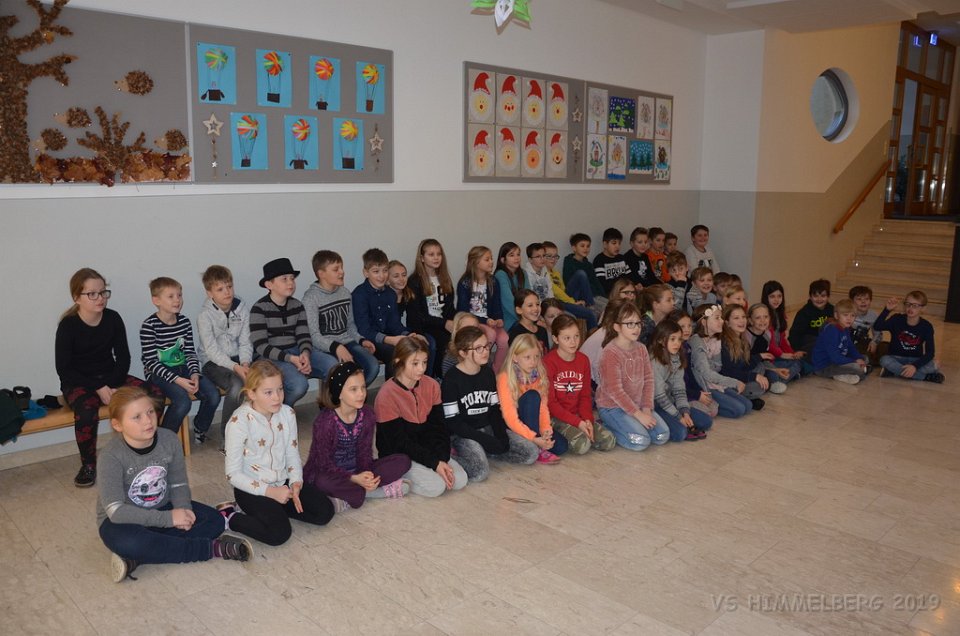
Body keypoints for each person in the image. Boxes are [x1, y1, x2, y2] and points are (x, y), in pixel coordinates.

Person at [97, 387, 252, 583]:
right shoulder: (110, 456)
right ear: (117, 425)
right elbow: (117, 512)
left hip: (163, 506)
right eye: (137, 417)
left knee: (215, 521)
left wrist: (183, 509)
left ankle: (137, 558)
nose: (148, 420)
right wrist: (169, 519)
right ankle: (211, 549)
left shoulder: (169, 439)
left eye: (150, 412)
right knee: (131, 542)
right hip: (123, 520)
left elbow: (178, 484)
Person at [56, 268, 163, 488]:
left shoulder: (113, 318)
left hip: (111, 376)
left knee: (154, 394)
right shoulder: (68, 325)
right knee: (86, 412)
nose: (100, 298)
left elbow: (123, 358)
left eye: (103, 292)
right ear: (77, 297)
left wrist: (113, 386)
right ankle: (88, 465)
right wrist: (98, 387)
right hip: (79, 381)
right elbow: (64, 369)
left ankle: (141, 447)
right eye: (92, 294)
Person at [224, 361, 334, 546]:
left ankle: (277, 507)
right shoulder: (238, 422)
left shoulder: (287, 413)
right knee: (279, 534)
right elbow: (233, 474)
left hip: (282, 481)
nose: (277, 397)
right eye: (268, 392)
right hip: (251, 488)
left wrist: (296, 482)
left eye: (280, 389)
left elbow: (292, 454)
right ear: (252, 394)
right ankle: (230, 517)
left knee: (325, 511)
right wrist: (270, 492)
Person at [303, 362, 411, 511]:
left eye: (363, 387)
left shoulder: (367, 414)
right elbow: (324, 463)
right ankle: (370, 492)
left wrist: (365, 475)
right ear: (339, 393)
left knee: (403, 461)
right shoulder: (325, 422)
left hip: (357, 469)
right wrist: (353, 478)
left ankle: (352, 494)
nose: (361, 393)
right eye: (353, 389)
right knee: (321, 482)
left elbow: (365, 452)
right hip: (331, 472)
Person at [441, 326, 539, 481]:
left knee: (531, 453)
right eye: (478, 348)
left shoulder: (487, 373)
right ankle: (449, 459)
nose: (486, 351)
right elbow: (454, 423)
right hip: (463, 434)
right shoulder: (451, 379)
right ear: (463, 353)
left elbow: (494, 410)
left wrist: (501, 436)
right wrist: (485, 440)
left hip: (487, 428)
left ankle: (487, 451)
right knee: (479, 472)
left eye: (486, 346)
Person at [375, 337, 468, 496]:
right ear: (399, 362)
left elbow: (439, 427)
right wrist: (434, 463)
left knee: (460, 480)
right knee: (436, 487)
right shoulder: (386, 395)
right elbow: (399, 442)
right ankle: (400, 478)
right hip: (401, 455)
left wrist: (442, 459)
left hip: (426, 447)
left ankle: (432, 468)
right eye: (415, 363)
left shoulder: (432, 385)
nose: (422, 369)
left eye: (424, 362)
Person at [140, 277, 220, 440]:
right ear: (156, 300)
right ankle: (164, 441)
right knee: (183, 402)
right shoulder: (149, 326)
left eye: (179, 295)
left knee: (213, 395)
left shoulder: (184, 322)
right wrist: (178, 380)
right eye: (171, 296)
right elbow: (151, 362)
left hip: (183, 368)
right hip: (159, 373)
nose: (177, 300)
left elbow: (190, 352)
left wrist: (194, 373)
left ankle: (200, 427)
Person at [595, 301, 670, 451]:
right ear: (617, 327)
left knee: (661, 436)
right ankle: (606, 424)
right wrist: (638, 415)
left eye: (638, 323)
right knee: (641, 442)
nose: (636, 328)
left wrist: (647, 409)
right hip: (613, 407)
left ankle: (629, 424)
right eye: (629, 324)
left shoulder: (641, 349)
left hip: (637, 404)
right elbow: (615, 391)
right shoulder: (610, 353)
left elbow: (649, 380)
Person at [302, 249, 379, 387]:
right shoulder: (310, 298)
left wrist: (361, 340)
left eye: (342, 268)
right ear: (321, 274)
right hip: (323, 348)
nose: (342, 272)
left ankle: (352, 393)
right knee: (339, 371)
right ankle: (338, 397)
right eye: (336, 269)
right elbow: (313, 335)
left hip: (347, 342)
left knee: (372, 366)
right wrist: (336, 347)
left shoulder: (345, 293)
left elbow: (350, 326)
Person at [353, 248, 433, 378]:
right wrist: (389, 339)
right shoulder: (359, 295)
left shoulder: (390, 294)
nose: (381, 276)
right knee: (394, 353)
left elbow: (394, 324)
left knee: (420, 344)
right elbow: (364, 330)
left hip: (388, 337)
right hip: (369, 340)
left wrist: (408, 334)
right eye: (376, 272)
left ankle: (416, 383)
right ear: (366, 273)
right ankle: (392, 388)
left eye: (385, 271)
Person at [196, 265, 251, 452]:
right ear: (209, 293)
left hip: (238, 359)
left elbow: (246, 341)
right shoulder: (204, 316)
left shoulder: (242, 308)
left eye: (229, 286)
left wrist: (245, 363)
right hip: (213, 363)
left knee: (261, 378)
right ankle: (228, 438)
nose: (227, 292)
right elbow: (211, 351)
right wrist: (236, 367)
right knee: (237, 385)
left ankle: (254, 432)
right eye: (220, 289)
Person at [543, 314, 616, 454]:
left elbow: (585, 396)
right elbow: (551, 404)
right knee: (582, 446)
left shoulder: (583, 360)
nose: (573, 342)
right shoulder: (548, 362)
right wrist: (578, 423)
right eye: (567, 338)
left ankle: (584, 430)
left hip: (578, 414)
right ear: (555, 339)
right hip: (556, 417)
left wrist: (587, 420)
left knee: (608, 441)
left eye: (576, 336)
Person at [249, 258, 314, 406]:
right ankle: (280, 410)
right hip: (270, 357)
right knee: (299, 385)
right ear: (269, 285)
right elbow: (261, 347)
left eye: (292, 278)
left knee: (331, 365)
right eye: (284, 279)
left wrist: (305, 353)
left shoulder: (297, 305)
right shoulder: (259, 309)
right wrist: (291, 359)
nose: (290, 283)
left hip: (296, 351)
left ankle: (330, 410)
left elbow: (304, 335)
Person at [497, 333, 566, 463]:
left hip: (533, 423)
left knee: (562, 446)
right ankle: (538, 448)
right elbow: (510, 418)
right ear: (515, 357)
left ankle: (540, 443)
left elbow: (543, 408)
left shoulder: (539, 375)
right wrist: (534, 438)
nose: (533, 362)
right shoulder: (505, 377)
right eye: (527, 357)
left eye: (536, 356)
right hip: (513, 426)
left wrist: (545, 430)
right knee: (532, 396)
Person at [688, 304, 758, 417]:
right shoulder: (696, 341)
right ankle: (710, 407)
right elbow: (706, 374)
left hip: (715, 382)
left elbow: (718, 367)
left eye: (721, 317)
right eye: (717, 318)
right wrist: (735, 382)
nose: (721, 321)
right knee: (739, 409)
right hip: (704, 386)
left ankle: (720, 403)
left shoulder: (715, 339)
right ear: (704, 322)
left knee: (748, 406)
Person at [648, 320, 712, 441]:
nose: (677, 343)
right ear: (660, 340)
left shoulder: (677, 358)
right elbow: (660, 396)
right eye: (672, 339)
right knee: (680, 433)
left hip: (669, 402)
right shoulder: (654, 361)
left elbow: (679, 390)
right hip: (655, 405)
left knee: (706, 421)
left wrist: (685, 412)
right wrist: (678, 417)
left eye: (679, 339)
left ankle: (681, 422)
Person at [406, 239, 456, 377]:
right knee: (438, 342)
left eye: (439, 254)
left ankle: (455, 376)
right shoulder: (414, 281)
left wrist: (459, 321)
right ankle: (433, 378)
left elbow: (450, 309)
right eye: (431, 254)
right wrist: (444, 323)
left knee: (464, 336)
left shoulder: (444, 279)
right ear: (422, 258)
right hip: (423, 326)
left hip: (442, 323)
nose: (436, 257)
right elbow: (417, 315)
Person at [456, 245, 509, 370]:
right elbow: (463, 311)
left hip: (490, 321)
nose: (491, 262)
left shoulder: (493, 281)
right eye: (487, 259)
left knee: (504, 339)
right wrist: (485, 321)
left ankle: (497, 370)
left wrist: (499, 318)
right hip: (474, 322)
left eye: (491, 258)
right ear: (475, 262)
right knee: (490, 334)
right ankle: (481, 367)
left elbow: (496, 304)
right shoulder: (465, 283)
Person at [874, 291, 944, 383]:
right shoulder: (896, 319)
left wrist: (915, 366)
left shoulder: (927, 326)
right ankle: (925, 377)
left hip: (915, 360)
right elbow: (877, 326)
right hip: (896, 358)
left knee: (935, 364)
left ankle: (894, 371)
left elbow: (930, 352)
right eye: (908, 304)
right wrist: (887, 310)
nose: (910, 308)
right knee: (884, 360)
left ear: (923, 308)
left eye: (915, 306)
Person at [668, 309, 719, 419]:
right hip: (678, 394)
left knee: (714, 409)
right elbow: (674, 384)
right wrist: (696, 395)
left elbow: (690, 374)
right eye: (682, 326)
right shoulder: (671, 350)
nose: (687, 330)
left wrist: (699, 391)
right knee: (706, 416)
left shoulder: (687, 346)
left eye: (689, 326)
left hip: (689, 390)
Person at [542, 240, 598, 330]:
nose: (553, 259)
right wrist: (572, 302)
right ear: (542, 257)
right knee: (590, 314)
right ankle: (594, 336)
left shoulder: (556, 272)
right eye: (549, 256)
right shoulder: (543, 274)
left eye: (555, 256)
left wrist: (573, 300)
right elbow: (556, 292)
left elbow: (563, 290)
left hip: (565, 299)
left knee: (580, 274)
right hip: (558, 303)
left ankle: (591, 305)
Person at [720, 304, 771, 401]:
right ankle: (742, 395)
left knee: (760, 366)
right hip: (729, 381)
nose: (742, 321)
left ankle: (747, 395)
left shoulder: (743, 340)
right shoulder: (725, 343)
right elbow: (728, 373)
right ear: (727, 323)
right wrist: (754, 376)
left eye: (743, 317)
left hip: (739, 376)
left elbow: (745, 365)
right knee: (759, 387)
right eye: (736, 318)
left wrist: (759, 356)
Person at [811, 299, 869, 384]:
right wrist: (854, 361)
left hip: (838, 361)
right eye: (845, 315)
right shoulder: (831, 330)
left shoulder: (845, 328)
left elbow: (850, 347)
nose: (849, 319)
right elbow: (835, 357)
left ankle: (848, 373)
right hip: (824, 367)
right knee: (856, 366)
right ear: (836, 315)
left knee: (864, 358)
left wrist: (859, 358)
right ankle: (844, 374)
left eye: (852, 315)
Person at [745, 303, 799, 389]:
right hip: (752, 367)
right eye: (758, 318)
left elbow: (766, 360)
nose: (763, 320)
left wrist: (775, 369)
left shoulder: (767, 334)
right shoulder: (746, 337)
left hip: (765, 364)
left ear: (770, 318)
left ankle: (776, 381)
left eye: (766, 317)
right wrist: (774, 370)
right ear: (750, 321)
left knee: (796, 362)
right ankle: (775, 382)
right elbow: (746, 362)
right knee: (772, 374)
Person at [760, 280, 806, 370]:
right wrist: (782, 354)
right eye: (772, 296)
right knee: (775, 373)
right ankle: (790, 374)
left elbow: (782, 340)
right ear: (766, 297)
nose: (776, 300)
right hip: (768, 356)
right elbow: (767, 344)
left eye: (779, 296)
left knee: (799, 361)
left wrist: (792, 354)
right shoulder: (763, 316)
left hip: (778, 353)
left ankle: (791, 372)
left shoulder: (780, 314)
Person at [562, 232, 607, 317]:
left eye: (588, 246)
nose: (586, 248)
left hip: (589, 295)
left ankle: (593, 305)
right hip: (574, 293)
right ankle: (591, 305)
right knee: (581, 274)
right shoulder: (568, 261)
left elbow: (596, 282)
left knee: (610, 306)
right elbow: (567, 281)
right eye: (582, 246)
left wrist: (603, 296)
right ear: (574, 248)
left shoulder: (588, 265)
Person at [788, 278, 834, 356]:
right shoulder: (804, 312)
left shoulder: (832, 310)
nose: (819, 299)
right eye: (815, 296)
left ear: (828, 296)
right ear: (810, 296)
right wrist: (797, 350)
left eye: (823, 296)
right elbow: (795, 334)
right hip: (809, 342)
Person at [494, 241, 529, 331]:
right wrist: (526, 319)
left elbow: (528, 296)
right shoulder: (500, 275)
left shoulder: (523, 273)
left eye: (518, 254)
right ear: (503, 260)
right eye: (511, 255)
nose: (516, 258)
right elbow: (508, 302)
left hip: (525, 315)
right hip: (509, 318)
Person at [848, 285, 885, 365]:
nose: (863, 302)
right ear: (852, 301)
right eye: (859, 299)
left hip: (862, 342)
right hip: (848, 342)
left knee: (885, 347)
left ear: (870, 301)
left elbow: (878, 333)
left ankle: (864, 360)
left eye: (866, 299)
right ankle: (862, 361)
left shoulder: (873, 315)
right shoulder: (847, 313)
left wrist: (874, 342)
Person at [440, 312, 481, 377]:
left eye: (475, 328)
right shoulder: (450, 359)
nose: (472, 333)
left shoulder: (483, 352)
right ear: (456, 331)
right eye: (466, 329)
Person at [592, 227, 631, 296]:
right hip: (610, 295)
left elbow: (630, 278)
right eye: (614, 243)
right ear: (605, 244)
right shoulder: (599, 260)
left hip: (626, 292)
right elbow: (602, 285)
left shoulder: (622, 258)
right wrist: (620, 279)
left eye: (619, 243)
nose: (617, 246)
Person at [387, 259, 416, 327]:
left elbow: (414, 320)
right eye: (396, 276)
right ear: (387, 280)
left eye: (404, 275)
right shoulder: (383, 297)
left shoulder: (409, 294)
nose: (401, 279)